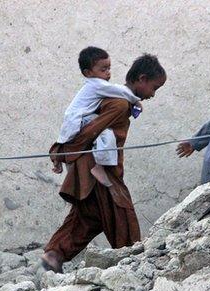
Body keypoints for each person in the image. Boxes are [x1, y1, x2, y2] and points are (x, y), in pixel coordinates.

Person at [42, 54, 166, 273]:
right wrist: (61, 151)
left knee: (89, 216)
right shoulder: (118, 104)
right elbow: (90, 131)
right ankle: (133, 264)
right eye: (154, 88)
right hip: (100, 171)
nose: (153, 95)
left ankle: (54, 255)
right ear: (142, 79)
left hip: (97, 169)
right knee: (122, 211)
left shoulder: (119, 99)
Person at [53, 46, 143, 187]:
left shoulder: (94, 85)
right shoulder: (97, 84)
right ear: (88, 72)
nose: (108, 73)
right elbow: (120, 91)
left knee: (76, 147)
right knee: (106, 134)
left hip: (72, 122)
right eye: (103, 70)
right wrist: (136, 101)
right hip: (79, 121)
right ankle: (99, 166)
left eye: (109, 68)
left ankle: (58, 161)